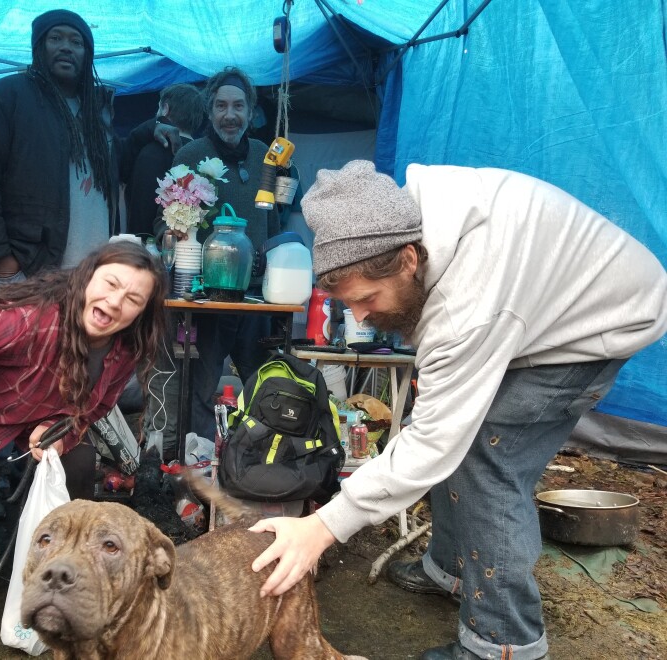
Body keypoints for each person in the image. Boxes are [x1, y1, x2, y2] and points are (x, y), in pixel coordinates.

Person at [248, 160, 667, 660]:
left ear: (407, 260)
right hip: (533, 306)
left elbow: (435, 442)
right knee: (453, 431)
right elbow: (436, 422)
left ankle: (506, 643)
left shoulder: (468, 300)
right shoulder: (401, 218)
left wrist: (322, 528)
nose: (359, 317)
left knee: (486, 461)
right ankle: (449, 569)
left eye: (365, 299)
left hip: (600, 323)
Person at [0, 242, 166, 642]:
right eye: (110, 284)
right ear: (87, 276)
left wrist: (61, 428)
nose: (114, 303)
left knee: (78, 462)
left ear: (142, 312)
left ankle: (63, 573)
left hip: (32, 413)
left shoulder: (123, 348)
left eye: (132, 299)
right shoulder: (27, 320)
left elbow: (95, 408)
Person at [0, 9, 176, 291]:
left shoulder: (95, 110)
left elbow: (112, 163)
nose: (66, 47)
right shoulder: (6, 97)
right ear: (39, 46)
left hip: (88, 276)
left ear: (87, 54)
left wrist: (146, 131)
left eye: (76, 42)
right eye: (56, 38)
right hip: (29, 271)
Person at [156, 66, 282, 442]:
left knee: (263, 385)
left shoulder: (264, 156)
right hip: (206, 297)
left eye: (239, 106)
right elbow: (167, 220)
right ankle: (195, 465)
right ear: (210, 111)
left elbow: (274, 219)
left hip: (257, 296)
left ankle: (261, 461)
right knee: (201, 384)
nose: (230, 115)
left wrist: (273, 259)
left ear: (250, 110)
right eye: (222, 106)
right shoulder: (193, 154)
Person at [122, 83, 205, 238]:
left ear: (165, 109)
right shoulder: (205, 159)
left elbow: (140, 213)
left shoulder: (151, 154)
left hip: (154, 252)